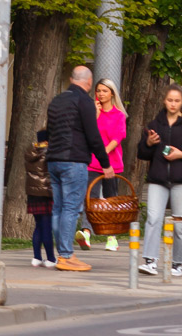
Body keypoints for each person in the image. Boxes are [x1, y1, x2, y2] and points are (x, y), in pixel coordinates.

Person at [45, 66, 115, 272]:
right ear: (89, 81)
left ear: (71, 79)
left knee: (58, 208)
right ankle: (66, 256)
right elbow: (93, 136)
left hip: (53, 160)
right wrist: (105, 164)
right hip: (74, 161)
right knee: (71, 208)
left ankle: (63, 253)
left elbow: (49, 131)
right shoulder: (84, 101)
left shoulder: (57, 100)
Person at [137, 84, 182, 277]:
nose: (173, 104)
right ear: (164, 100)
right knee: (153, 218)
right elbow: (141, 153)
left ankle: (177, 263)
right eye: (170, 100)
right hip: (158, 179)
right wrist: (148, 143)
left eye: (177, 101)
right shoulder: (155, 125)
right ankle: (150, 260)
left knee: (179, 222)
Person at [81, 77, 127, 251]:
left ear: (112, 93)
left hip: (112, 163)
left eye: (104, 91)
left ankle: (111, 237)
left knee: (110, 199)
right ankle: (86, 232)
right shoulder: (93, 113)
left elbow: (118, 138)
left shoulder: (119, 115)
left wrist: (104, 154)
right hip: (92, 163)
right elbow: (88, 134)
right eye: (98, 90)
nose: (101, 94)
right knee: (90, 198)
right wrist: (95, 116)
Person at [25, 129, 55, 268]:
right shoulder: (49, 153)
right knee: (47, 227)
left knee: (38, 226)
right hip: (46, 193)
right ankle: (50, 258)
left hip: (33, 194)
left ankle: (36, 257)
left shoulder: (31, 152)